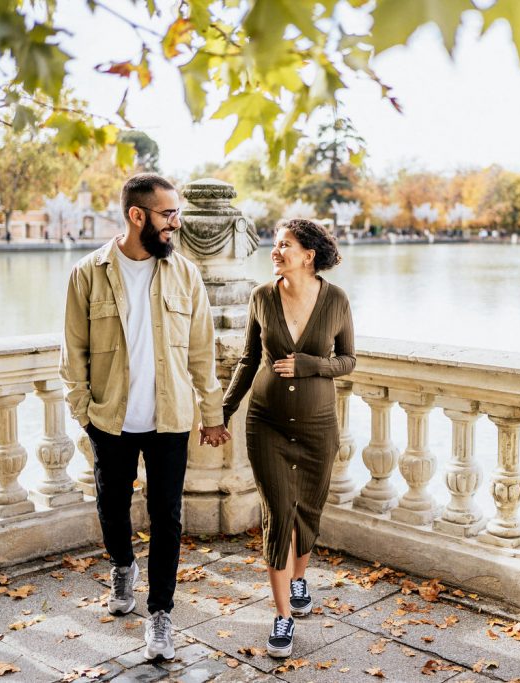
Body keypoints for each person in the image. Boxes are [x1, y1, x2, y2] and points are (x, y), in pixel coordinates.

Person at [60, 172, 231, 661]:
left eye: (176, 213)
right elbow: (72, 354)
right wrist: (85, 414)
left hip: (170, 419)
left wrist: (211, 413)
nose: (176, 223)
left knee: (167, 517)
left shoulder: (185, 274)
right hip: (110, 420)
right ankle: (121, 566)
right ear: (138, 216)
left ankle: (160, 615)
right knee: (111, 508)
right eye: (168, 214)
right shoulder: (87, 272)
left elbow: (202, 351)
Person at [221, 218, 356, 658]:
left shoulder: (336, 300)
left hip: (319, 427)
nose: (275, 251)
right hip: (267, 424)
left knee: (306, 511)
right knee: (278, 514)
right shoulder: (261, 297)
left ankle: (299, 578)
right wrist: (220, 411)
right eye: (275, 244)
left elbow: (348, 360)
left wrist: (310, 365)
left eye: (285, 245)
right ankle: (282, 616)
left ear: (308, 255)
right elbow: (247, 359)